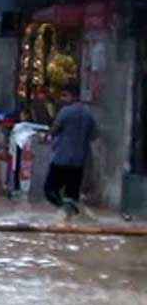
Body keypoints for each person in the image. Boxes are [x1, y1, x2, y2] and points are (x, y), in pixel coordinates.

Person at [44, 85, 97, 217]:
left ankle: (67, 209)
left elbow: (54, 129)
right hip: (79, 161)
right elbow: (94, 135)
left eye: (64, 96)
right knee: (71, 194)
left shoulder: (65, 112)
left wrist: (46, 136)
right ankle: (72, 216)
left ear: (72, 96)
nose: (62, 99)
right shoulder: (88, 114)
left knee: (49, 190)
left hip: (62, 159)